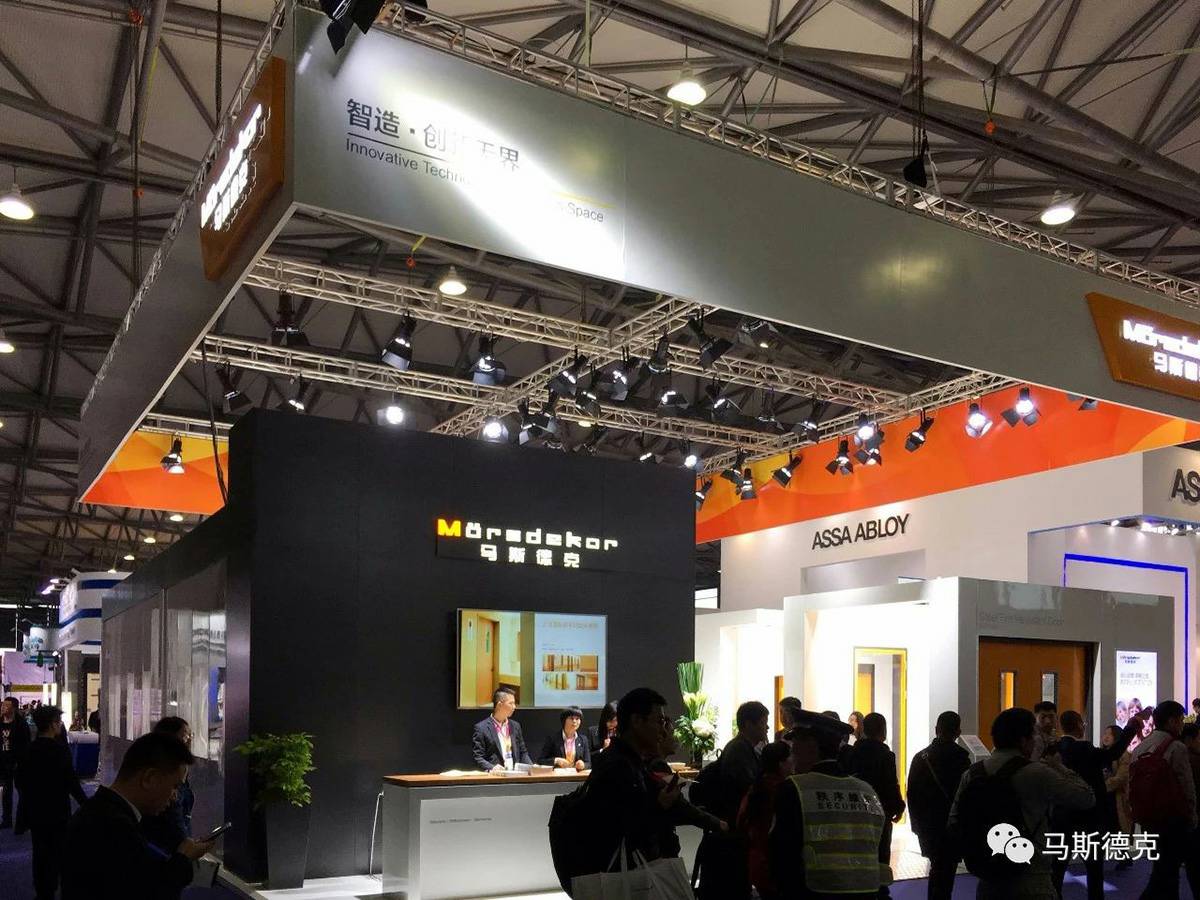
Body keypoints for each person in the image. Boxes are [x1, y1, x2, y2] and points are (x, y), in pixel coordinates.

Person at [577, 687, 723, 879]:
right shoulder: (620, 766)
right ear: (637, 721)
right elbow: (622, 827)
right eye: (659, 721)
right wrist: (661, 805)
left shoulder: (629, 761)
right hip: (627, 875)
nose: (663, 730)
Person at [949, 707, 1094, 900]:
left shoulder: (972, 773)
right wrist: (1059, 767)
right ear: (1023, 740)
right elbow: (1086, 798)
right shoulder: (1036, 772)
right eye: (1033, 736)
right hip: (1031, 877)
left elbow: (954, 820)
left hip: (987, 877)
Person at [61, 731, 213, 899]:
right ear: (149, 778)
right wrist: (183, 859)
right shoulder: (115, 828)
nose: (175, 796)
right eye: (174, 786)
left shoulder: (101, 811)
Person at [770, 709, 886, 898]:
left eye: (796, 743)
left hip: (814, 891)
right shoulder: (867, 791)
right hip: (866, 891)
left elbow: (782, 854)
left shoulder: (795, 789)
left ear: (812, 745)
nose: (792, 751)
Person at [1053, 709, 1141, 900]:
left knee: (1058, 867)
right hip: (1089, 817)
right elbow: (1113, 754)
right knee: (1094, 868)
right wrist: (1130, 729)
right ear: (1079, 725)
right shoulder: (1085, 749)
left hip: (1062, 816)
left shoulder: (1055, 749)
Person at [15, 705, 87, 900]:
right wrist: (86, 804)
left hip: (36, 811)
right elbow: (72, 783)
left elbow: (20, 781)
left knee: (40, 852)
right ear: (53, 724)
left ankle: (43, 892)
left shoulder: (29, 750)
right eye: (58, 721)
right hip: (58, 811)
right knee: (61, 852)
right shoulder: (60, 751)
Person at [700, 700, 770, 900]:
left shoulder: (741, 748)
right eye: (763, 722)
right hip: (733, 834)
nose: (766, 728)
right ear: (748, 724)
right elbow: (746, 789)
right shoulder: (739, 750)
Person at [1130, 699, 1197, 899]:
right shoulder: (1176, 747)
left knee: (1162, 867)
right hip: (1173, 818)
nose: (1182, 724)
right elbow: (1186, 785)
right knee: (1168, 871)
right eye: (1180, 720)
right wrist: (1192, 816)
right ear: (1171, 721)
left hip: (1149, 817)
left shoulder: (1140, 748)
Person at [906, 711, 970, 900]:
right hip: (952, 823)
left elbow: (912, 794)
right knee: (946, 870)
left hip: (928, 825)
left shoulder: (921, 757)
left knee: (937, 867)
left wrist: (916, 825)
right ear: (958, 732)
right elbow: (965, 795)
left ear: (936, 729)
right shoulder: (962, 759)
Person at [847, 712, 904, 897]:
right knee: (881, 854)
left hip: (856, 811)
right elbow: (891, 784)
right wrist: (898, 807)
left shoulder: (853, 752)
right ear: (882, 730)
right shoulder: (886, 754)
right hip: (880, 812)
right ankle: (880, 890)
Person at [738, 741, 792, 900]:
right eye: (790, 757)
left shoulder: (756, 787)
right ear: (781, 763)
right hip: (778, 864)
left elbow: (741, 821)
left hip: (757, 861)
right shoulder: (785, 791)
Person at [142, 717, 196, 858]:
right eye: (185, 737)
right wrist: (186, 847)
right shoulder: (162, 774)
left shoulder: (182, 769)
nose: (189, 741)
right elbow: (174, 814)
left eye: (191, 736)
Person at [471, 688, 531, 773]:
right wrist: (492, 767)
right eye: (511, 703)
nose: (514, 707)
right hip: (496, 776)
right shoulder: (482, 728)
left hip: (514, 775)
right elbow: (477, 757)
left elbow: (523, 752)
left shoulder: (515, 726)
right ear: (499, 704)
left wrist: (532, 768)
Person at [1101, 725, 1134, 872]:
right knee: (1111, 828)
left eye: (1110, 734)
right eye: (1105, 733)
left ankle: (1121, 856)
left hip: (1117, 798)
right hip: (1106, 797)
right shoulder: (1102, 753)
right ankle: (1124, 856)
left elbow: (1122, 777)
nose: (1106, 737)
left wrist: (1102, 786)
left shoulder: (1124, 755)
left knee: (1113, 827)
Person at [0, 694, 31, 828]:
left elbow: (26, 744)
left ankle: (22, 820)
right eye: (2, 705)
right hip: (3, 762)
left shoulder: (21, 724)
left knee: (22, 792)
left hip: (18, 762)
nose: (3, 707)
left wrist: (21, 761)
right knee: (6, 792)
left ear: (13, 708)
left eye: (6, 705)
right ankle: (6, 819)